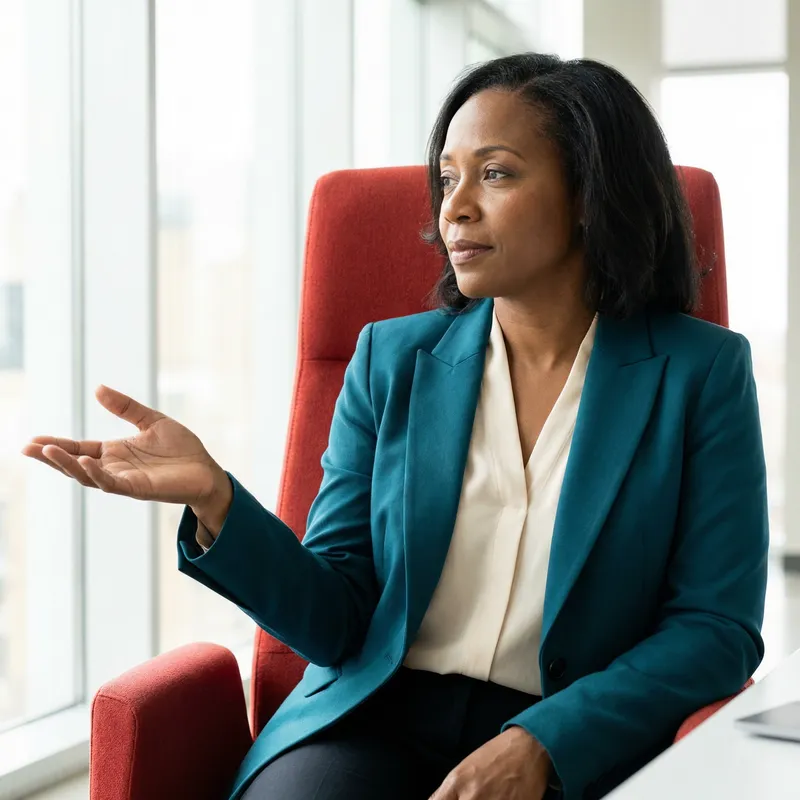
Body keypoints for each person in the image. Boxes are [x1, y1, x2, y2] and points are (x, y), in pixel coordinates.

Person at [22, 53, 768, 800]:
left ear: (587, 195)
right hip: (375, 715)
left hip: (572, 731)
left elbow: (715, 628)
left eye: (496, 174)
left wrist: (546, 742)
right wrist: (219, 500)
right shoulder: (390, 359)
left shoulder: (701, 373)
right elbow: (336, 621)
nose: (455, 208)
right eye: (448, 178)